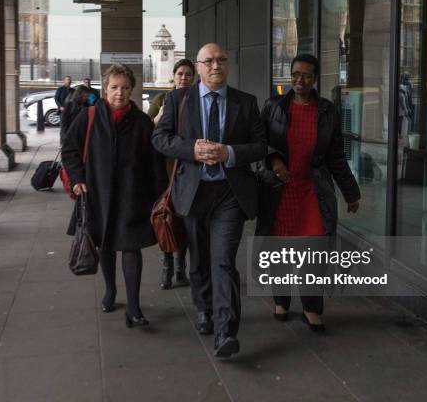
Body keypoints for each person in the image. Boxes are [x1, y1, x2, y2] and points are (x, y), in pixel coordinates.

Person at [152, 43, 267, 358]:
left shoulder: (246, 102)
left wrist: (229, 153)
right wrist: (192, 150)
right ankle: (203, 308)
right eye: (209, 61)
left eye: (221, 60)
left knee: (223, 261)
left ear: (227, 65)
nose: (216, 65)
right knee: (200, 259)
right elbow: (160, 139)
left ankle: (225, 331)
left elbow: (260, 146)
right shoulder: (178, 99)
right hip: (193, 192)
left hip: (230, 195)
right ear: (199, 68)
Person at [255, 54, 361, 331]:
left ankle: (311, 308)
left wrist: (351, 192)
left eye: (306, 75)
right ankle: (281, 300)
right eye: (295, 74)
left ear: (315, 79)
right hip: (280, 190)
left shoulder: (327, 111)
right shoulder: (273, 107)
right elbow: (258, 145)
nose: (299, 80)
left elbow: (336, 156)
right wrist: (275, 161)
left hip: (313, 190)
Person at [62, 64, 168, 328]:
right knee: (106, 246)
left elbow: (154, 162)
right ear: (105, 88)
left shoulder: (143, 122)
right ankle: (110, 290)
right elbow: (70, 150)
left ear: (132, 90)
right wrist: (77, 180)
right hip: (98, 195)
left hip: (134, 196)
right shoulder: (88, 117)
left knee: (131, 248)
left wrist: (161, 195)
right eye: (114, 87)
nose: (119, 93)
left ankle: (133, 307)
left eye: (125, 88)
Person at [147, 58, 195, 290]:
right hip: (165, 170)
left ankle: (180, 268)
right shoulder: (161, 100)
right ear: (173, 77)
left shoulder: (197, 99)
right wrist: (160, 117)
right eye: (180, 74)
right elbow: (150, 130)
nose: (183, 78)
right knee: (166, 217)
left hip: (187, 169)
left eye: (188, 74)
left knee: (184, 221)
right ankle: (167, 268)